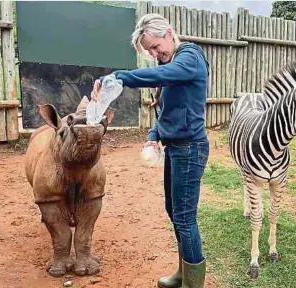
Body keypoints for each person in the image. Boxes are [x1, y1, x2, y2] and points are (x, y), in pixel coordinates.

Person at [91, 13, 210, 288]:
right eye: (150, 51)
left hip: (191, 149)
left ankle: (194, 284)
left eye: (156, 46)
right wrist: (153, 136)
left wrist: (120, 77)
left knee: (184, 217)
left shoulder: (190, 56)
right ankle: (183, 274)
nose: (155, 54)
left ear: (169, 33)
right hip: (176, 149)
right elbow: (166, 113)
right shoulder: (171, 68)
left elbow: (164, 74)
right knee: (174, 210)